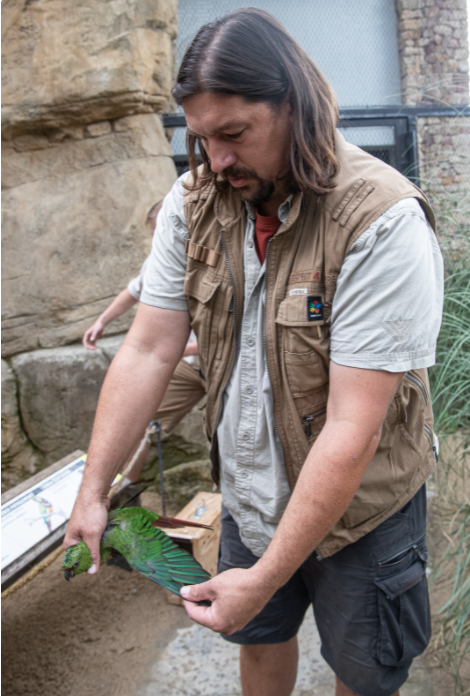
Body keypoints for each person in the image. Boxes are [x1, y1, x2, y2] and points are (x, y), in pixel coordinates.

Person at [65, 9, 444, 696]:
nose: (215, 161)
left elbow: (353, 427)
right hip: (249, 493)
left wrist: (265, 576)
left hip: (363, 512)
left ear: (296, 107)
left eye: (234, 135)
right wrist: (93, 492)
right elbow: (151, 348)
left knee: (363, 674)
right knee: (259, 643)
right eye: (200, 138)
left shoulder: (382, 221)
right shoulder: (194, 198)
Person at [82, 200, 205, 484]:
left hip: (225, 363)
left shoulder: (219, 252)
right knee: (138, 422)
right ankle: (119, 497)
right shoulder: (163, 257)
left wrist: (178, 350)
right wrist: (102, 322)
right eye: (154, 232)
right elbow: (134, 290)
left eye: (159, 229)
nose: (157, 237)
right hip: (187, 363)